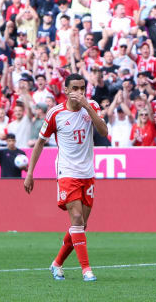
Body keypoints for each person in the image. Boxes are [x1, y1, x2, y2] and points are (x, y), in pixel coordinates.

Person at [24, 73, 108, 282]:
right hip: (67, 171)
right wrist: (30, 173)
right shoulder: (56, 114)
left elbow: (104, 132)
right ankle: (86, 270)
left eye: (82, 88)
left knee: (80, 226)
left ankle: (57, 263)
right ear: (67, 90)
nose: (79, 92)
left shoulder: (92, 107)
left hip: (87, 172)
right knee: (77, 218)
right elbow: (40, 143)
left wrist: (88, 107)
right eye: (76, 89)